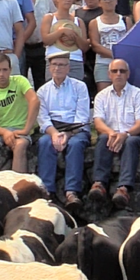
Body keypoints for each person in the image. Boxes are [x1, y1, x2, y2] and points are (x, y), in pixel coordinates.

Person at [36, 52, 91, 214]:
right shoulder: (43, 91)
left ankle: (71, 192)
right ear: (49, 67)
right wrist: (54, 134)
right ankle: (47, 191)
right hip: (53, 128)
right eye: (54, 65)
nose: (58, 68)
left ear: (68, 67)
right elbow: (43, 118)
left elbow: (81, 117)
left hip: (76, 129)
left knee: (76, 144)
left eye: (62, 65)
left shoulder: (79, 87)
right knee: (44, 143)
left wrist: (67, 135)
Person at [90, 59, 140, 208]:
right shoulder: (101, 96)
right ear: (109, 74)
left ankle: (124, 188)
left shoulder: (138, 94)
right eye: (115, 71)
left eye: (122, 71)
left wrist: (125, 134)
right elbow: (98, 123)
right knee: (103, 138)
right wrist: (111, 132)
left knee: (130, 142)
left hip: (133, 134)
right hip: (111, 134)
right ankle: (99, 184)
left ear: (128, 74)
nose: (118, 74)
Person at [0, 54, 39, 172]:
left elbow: (34, 101)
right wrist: (5, 132)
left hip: (19, 129)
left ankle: (17, 186)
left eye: (5, 70)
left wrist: (26, 129)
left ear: (10, 70)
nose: (1, 74)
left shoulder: (20, 81)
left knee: (20, 146)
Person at [41, 0, 89, 80]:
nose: (68, 0)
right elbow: (46, 41)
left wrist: (74, 35)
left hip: (75, 61)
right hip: (54, 60)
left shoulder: (78, 21)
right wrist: (61, 31)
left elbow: (85, 47)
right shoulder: (49, 18)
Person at [89, 0, 132, 92]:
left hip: (123, 62)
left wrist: (121, 56)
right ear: (99, 2)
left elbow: (131, 41)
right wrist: (113, 54)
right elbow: (95, 44)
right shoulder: (94, 22)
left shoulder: (125, 20)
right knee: (104, 94)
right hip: (103, 63)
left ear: (116, 0)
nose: (108, 1)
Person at [20, 0, 55, 88]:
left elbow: (53, 19)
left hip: (40, 46)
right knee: (21, 81)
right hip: (23, 46)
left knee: (41, 81)